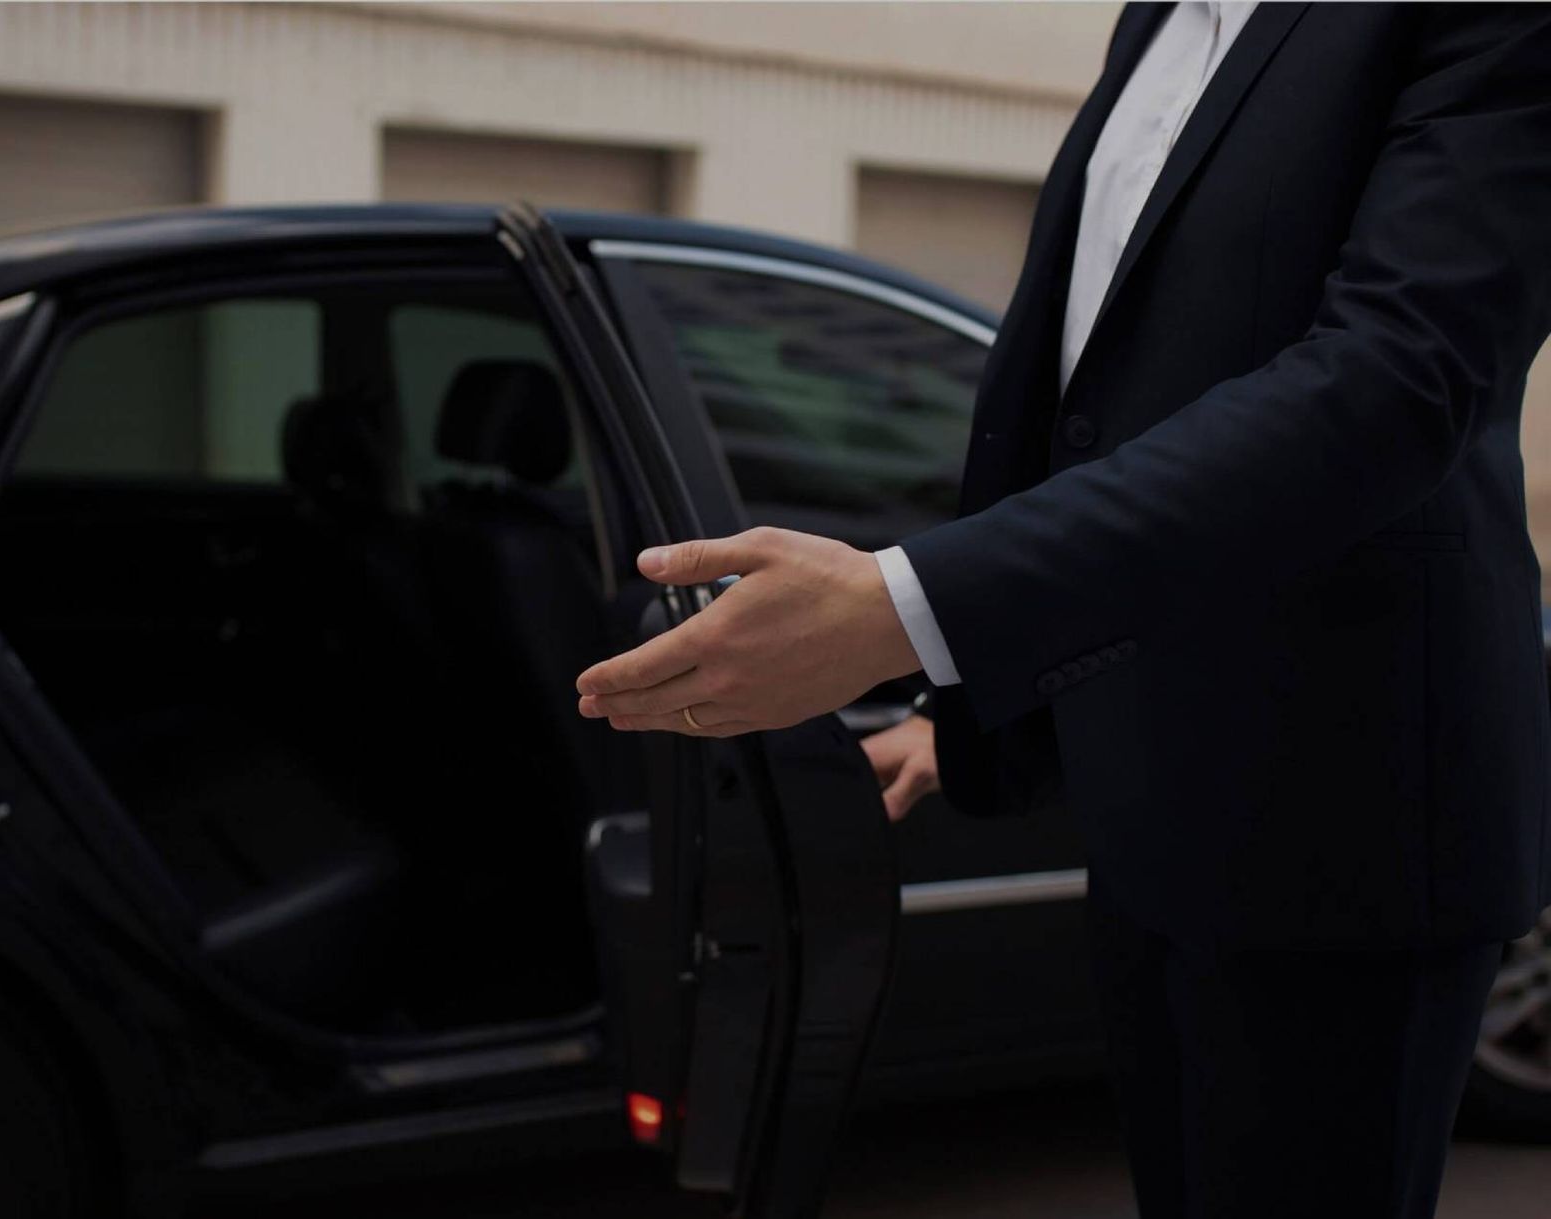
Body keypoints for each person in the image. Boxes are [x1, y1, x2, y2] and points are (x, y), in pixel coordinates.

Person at [574, 4, 1551, 1215]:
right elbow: (1104, 406)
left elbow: (1392, 383)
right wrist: (989, 689)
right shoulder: (1153, 20)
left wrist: (906, 607)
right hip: (1148, 811)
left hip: (1345, 825)